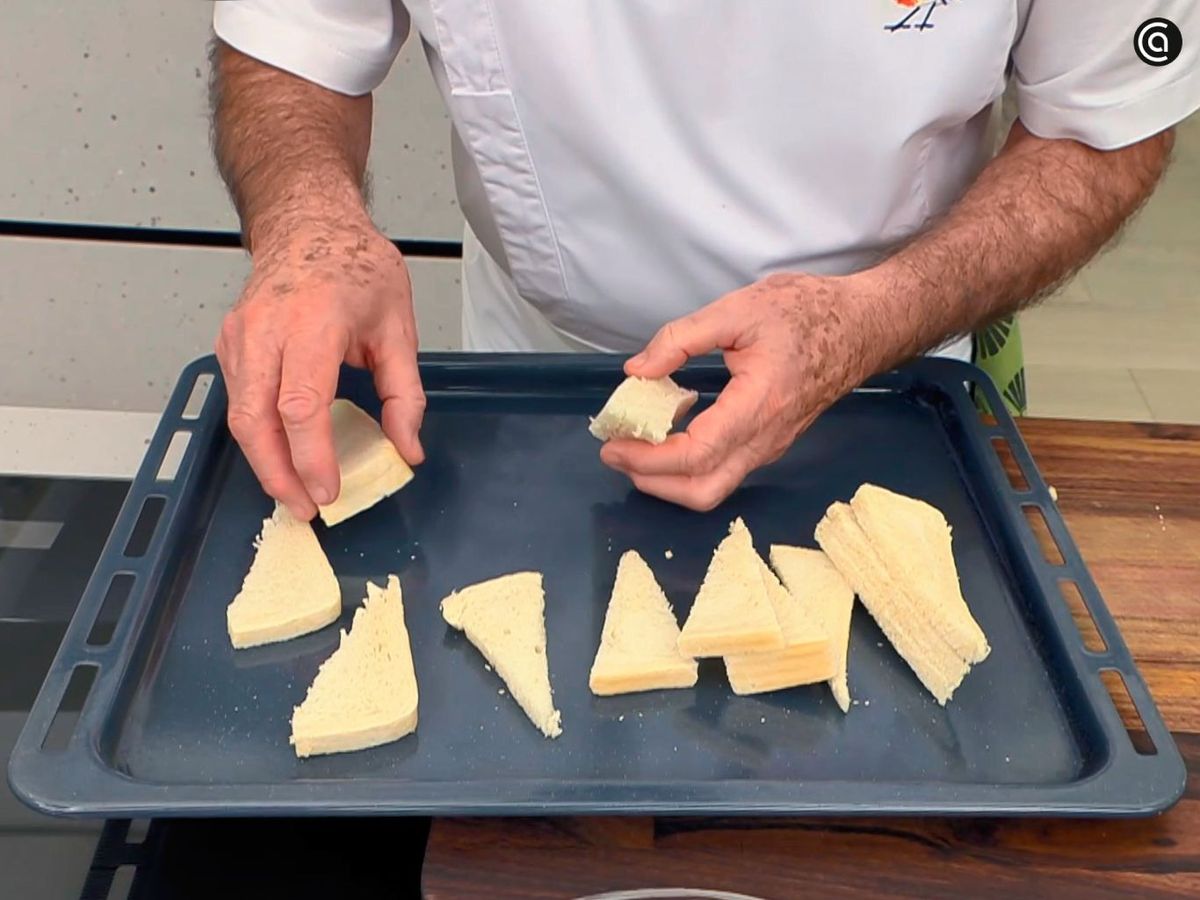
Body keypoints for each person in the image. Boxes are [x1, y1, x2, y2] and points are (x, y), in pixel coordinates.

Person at [208, 1, 1198, 517]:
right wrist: (309, 221)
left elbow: (1100, 124)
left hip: (892, 364)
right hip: (537, 364)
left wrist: (872, 321)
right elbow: (294, 39)